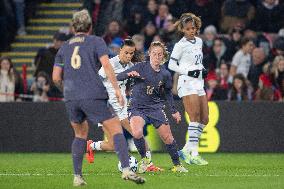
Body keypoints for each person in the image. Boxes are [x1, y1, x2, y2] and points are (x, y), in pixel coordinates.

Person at [52, 10, 145, 186]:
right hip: (92, 94)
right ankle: (126, 170)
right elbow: (107, 66)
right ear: (90, 26)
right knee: (116, 128)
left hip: (71, 96)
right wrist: (117, 89)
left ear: (73, 27)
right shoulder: (95, 41)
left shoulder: (64, 46)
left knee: (80, 134)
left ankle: (77, 177)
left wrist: (67, 91)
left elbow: (56, 77)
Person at [86, 38, 162, 172]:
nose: (128, 56)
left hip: (122, 107)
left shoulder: (129, 66)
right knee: (113, 145)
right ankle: (92, 146)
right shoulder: (109, 64)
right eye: (126, 52)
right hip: (106, 107)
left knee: (137, 133)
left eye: (131, 53)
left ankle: (148, 164)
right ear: (120, 50)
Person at [117, 41, 188, 173]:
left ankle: (177, 165)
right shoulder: (139, 67)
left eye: (159, 54)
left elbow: (167, 92)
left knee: (168, 138)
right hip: (137, 107)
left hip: (155, 108)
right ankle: (145, 161)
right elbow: (119, 76)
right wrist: (128, 74)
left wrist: (173, 110)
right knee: (137, 132)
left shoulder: (165, 74)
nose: (156, 56)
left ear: (163, 56)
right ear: (149, 54)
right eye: (154, 54)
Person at [168, 12, 209, 165]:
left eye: (193, 28)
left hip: (199, 82)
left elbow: (198, 61)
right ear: (183, 30)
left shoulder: (199, 42)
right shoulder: (180, 45)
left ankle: (185, 150)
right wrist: (188, 71)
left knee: (205, 119)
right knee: (195, 116)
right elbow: (172, 65)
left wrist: (202, 69)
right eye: (188, 29)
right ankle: (194, 153)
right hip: (186, 81)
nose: (192, 31)